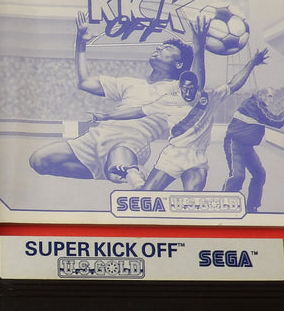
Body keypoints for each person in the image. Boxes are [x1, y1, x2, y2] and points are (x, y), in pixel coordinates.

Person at [28, 11, 192, 187]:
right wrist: (81, 43)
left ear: (179, 64)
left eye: (167, 48)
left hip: (131, 142)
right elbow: (84, 82)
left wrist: (199, 40)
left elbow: (197, 79)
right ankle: (110, 171)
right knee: (38, 160)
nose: (159, 47)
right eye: (159, 46)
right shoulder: (131, 83)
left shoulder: (179, 90)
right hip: (97, 136)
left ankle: (134, 177)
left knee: (119, 166)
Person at [137, 29, 270, 192]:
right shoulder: (170, 98)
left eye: (192, 85)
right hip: (172, 155)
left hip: (196, 158)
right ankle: (134, 176)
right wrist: (199, 47)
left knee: (193, 201)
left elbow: (233, 84)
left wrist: (251, 63)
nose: (190, 88)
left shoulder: (210, 97)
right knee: (146, 195)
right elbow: (138, 111)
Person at [222, 87, 284, 212]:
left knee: (259, 174)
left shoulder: (256, 105)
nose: (272, 99)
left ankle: (252, 207)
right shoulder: (254, 105)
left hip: (247, 147)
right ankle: (223, 204)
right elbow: (276, 121)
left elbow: (274, 120)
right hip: (234, 144)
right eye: (270, 96)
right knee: (237, 176)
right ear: (261, 95)